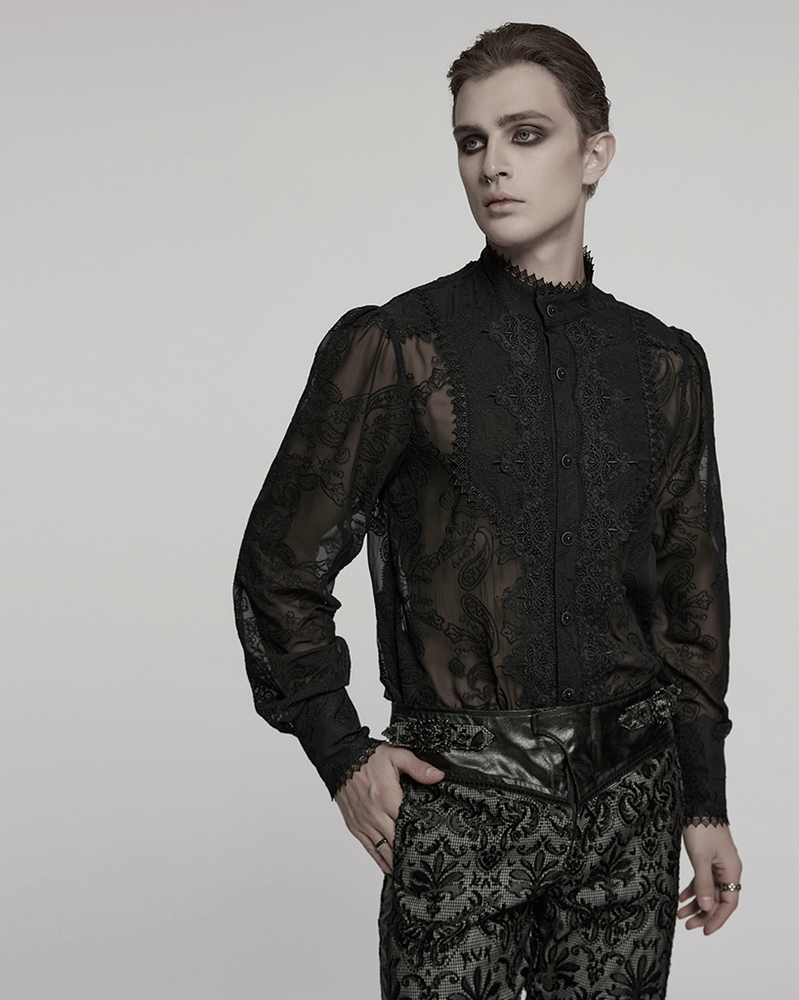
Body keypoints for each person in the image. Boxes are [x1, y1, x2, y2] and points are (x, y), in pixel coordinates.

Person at [234, 22, 741, 999]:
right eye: (472, 140)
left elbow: (691, 596)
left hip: (630, 813)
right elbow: (279, 568)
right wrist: (342, 751)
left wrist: (705, 799)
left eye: (525, 134)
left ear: (593, 155)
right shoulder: (396, 348)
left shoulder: (663, 365)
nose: (491, 165)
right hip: (460, 811)